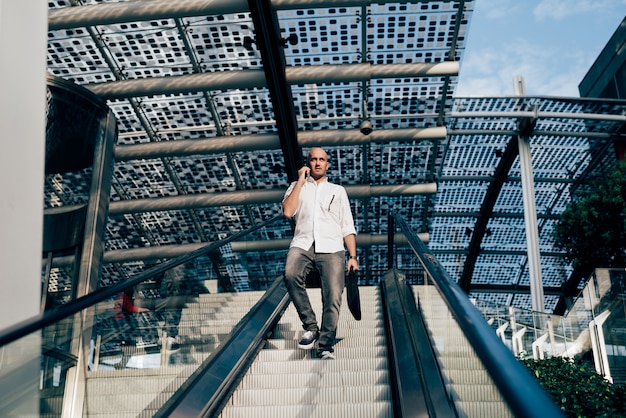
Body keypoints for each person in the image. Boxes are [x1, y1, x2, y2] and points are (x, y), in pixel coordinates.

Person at [282, 147, 359, 360]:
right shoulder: (296, 187)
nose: (317, 163)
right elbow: (288, 211)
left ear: (327, 164)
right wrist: (299, 181)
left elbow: (347, 225)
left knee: (333, 296)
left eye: (321, 160)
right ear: (308, 163)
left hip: (332, 247)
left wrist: (352, 257)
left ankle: (325, 346)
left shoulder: (337, 190)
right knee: (290, 275)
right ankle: (311, 327)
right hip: (303, 243)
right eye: (313, 159)